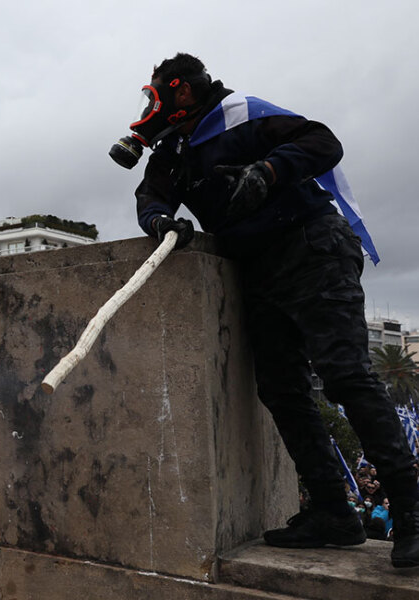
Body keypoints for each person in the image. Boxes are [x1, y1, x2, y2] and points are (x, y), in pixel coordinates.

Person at [117, 52, 419, 568]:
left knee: (346, 376)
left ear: (180, 90)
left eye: (156, 94)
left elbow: (324, 142)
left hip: (311, 246)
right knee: (281, 389)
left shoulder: (243, 114)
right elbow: (151, 194)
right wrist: (162, 221)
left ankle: (412, 514)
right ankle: (332, 511)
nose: (152, 105)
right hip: (257, 267)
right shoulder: (173, 148)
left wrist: (270, 169)